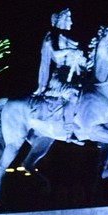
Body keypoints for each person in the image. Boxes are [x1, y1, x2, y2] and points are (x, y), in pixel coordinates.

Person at [34, 8, 85, 142]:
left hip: (73, 75)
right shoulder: (53, 35)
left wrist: (83, 60)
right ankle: (69, 132)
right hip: (59, 78)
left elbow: (78, 60)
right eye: (69, 19)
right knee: (73, 95)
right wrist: (72, 50)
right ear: (61, 20)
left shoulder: (69, 37)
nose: (72, 22)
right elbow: (55, 55)